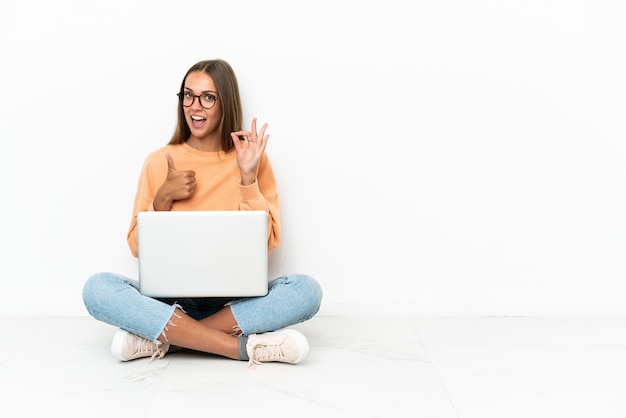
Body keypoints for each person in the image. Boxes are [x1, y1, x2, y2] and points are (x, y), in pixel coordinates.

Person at [82, 59, 323, 367]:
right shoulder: (159, 161)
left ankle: (165, 340)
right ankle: (240, 347)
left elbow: (268, 240)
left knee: (306, 291)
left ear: (225, 102)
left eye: (208, 97)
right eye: (188, 95)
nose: (195, 106)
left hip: (234, 304)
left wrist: (248, 179)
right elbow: (136, 247)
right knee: (97, 289)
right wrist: (163, 198)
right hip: (170, 303)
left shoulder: (251, 158)